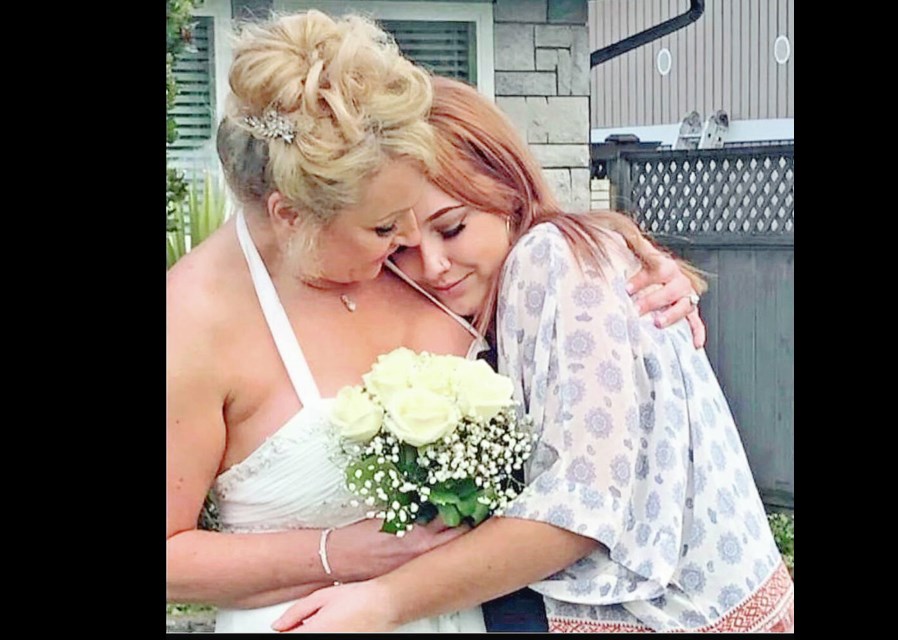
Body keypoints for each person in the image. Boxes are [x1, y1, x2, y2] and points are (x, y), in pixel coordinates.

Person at [166, 11, 706, 634]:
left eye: (424, 221)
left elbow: (533, 259)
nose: (412, 246)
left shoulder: (413, 260)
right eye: (385, 229)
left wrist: (628, 263)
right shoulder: (191, 325)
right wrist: (337, 555)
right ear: (292, 216)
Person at [271, 76, 794, 633]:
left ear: (508, 189)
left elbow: (582, 504)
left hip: (675, 614)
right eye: (399, 243)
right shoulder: (560, 258)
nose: (431, 265)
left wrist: (386, 601)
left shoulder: (550, 258)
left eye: (452, 228)